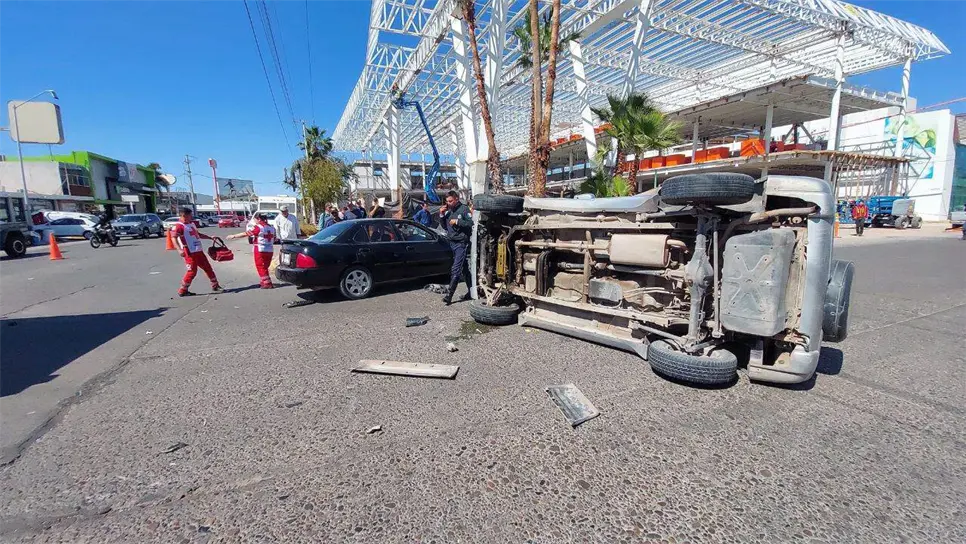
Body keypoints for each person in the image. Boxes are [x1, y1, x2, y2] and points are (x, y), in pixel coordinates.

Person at [172, 207, 223, 297]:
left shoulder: (191, 224)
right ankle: (183, 290)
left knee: (208, 268)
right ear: (184, 215)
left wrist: (210, 237)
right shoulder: (178, 226)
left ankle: (215, 285)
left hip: (198, 250)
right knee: (192, 271)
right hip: (189, 252)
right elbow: (174, 238)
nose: (191, 217)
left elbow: (198, 235)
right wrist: (179, 250)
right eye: (190, 215)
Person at [439, 190, 473, 305]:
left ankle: (449, 295)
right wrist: (442, 215)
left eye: (451, 201)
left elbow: (470, 223)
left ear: (456, 199)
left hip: (461, 243)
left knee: (456, 269)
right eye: (447, 201)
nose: (448, 203)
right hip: (452, 243)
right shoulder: (449, 211)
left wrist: (458, 221)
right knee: (464, 270)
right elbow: (444, 227)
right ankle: (471, 292)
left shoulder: (463, 209)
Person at [227, 212, 277, 289]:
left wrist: (234, 236)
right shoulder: (272, 228)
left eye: (255, 219)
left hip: (260, 249)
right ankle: (263, 282)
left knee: (260, 266)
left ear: (259, 219)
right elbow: (275, 238)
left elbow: (246, 234)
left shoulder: (258, 227)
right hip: (270, 249)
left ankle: (267, 283)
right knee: (265, 266)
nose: (254, 221)